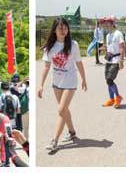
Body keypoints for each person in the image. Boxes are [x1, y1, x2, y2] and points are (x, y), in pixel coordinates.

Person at [38, 17, 87, 152]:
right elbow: (46, 67)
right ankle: (72, 133)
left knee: (61, 110)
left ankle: (55, 140)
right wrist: (41, 85)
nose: (63, 30)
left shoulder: (73, 44)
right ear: (54, 30)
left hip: (70, 82)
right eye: (60, 28)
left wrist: (84, 79)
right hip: (57, 83)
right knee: (64, 109)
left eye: (65, 28)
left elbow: (79, 62)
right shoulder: (49, 47)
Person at [101, 16, 125, 108]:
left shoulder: (118, 34)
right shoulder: (108, 35)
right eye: (105, 23)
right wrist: (104, 49)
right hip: (109, 59)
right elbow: (109, 47)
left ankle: (118, 97)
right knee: (108, 80)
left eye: (107, 23)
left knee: (110, 79)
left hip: (116, 60)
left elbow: (122, 47)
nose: (105, 25)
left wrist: (121, 61)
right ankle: (111, 99)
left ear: (112, 23)